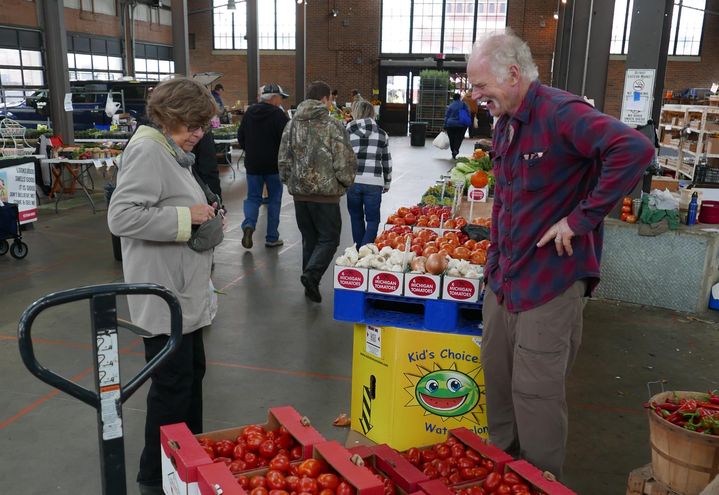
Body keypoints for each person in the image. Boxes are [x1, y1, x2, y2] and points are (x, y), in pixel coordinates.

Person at [468, 30, 654, 478]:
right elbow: (511, 200)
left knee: (536, 399)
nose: (474, 96)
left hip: (549, 285)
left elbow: (634, 149)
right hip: (506, 281)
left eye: (479, 86)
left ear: (512, 74)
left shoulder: (561, 112)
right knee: (499, 390)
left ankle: (538, 483)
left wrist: (579, 220)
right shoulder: (505, 123)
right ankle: (502, 478)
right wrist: (492, 265)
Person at [107, 77, 220, 495]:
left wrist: (204, 213)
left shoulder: (170, 151)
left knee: (190, 376)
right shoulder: (148, 150)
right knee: (172, 388)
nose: (199, 134)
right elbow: (121, 218)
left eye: (202, 126)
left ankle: (188, 463)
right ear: (170, 117)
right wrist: (185, 218)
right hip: (163, 294)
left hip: (183, 292)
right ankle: (155, 478)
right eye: (192, 125)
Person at [278, 80, 357, 303]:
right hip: (326, 195)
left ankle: (309, 283)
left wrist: (289, 180)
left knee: (309, 239)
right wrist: (345, 183)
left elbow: (283, 157)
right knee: (330, 239)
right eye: (330, 99)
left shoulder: (291, 125)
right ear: (325, 99)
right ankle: (312, 276)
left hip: (300, 195)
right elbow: (344, 159)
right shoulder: (332, 125)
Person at [237, 83, 290, 248]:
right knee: (274, 200)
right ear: (274, 98)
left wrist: (251, 151)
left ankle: (248, 225)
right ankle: (272, 237)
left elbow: (241, 137)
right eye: (281, 98)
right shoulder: (279, 115)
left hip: (253, 165)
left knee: (253, 198)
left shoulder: (250, 112)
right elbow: (287, 140)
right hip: (273, 166)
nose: (281, 101)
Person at [345, 100, 392, 247]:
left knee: (356, 217)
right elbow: (386, 161)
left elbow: (342, 158)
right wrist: (387, 182)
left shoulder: (347, 133)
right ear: (372, 114)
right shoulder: (382, 134)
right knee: (372, 220)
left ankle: (359, 249)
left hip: (353, 182)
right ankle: (366, 249)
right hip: (374, 183)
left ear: (356, 113)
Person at [444, 93, 469, 160]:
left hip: (450, 124)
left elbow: (447, 116)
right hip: (461, 125)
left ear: (453, 98)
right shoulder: (464, 105)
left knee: (451, 139)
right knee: (458, 138)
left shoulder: (451, 106)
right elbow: (468, 113)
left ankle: (453, 151)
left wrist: (445, 124)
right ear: (459, 97)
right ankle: (456, 150)